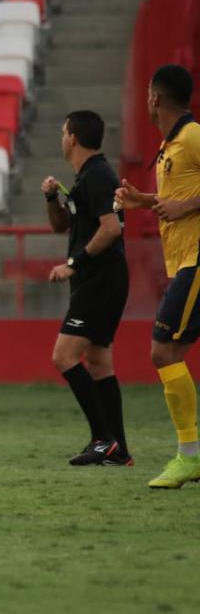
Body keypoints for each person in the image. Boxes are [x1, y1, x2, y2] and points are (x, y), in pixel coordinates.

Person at [116, 65, 200, 489]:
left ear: (154, 98)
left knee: (162, 352)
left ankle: (190, 455)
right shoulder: (171, 146)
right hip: (185, 262)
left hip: (197, 262)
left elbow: (186, 204)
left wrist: (188, 207)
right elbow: (175, 200)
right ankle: (189, 455)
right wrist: (143, 201)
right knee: (172, 353)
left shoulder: (193, 137)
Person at [42, 111, 131, 466]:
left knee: (63, 356)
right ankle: (119, 449)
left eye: (64, 132)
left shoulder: (99, 176)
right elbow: (61, 226)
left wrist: (73, 264)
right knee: (97, 361)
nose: (62, 138)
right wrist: (52, 199)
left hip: (100, 279)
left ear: (73, 138)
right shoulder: (86, 177)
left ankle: (102, 438)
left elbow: (111, 229)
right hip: (100, 279)